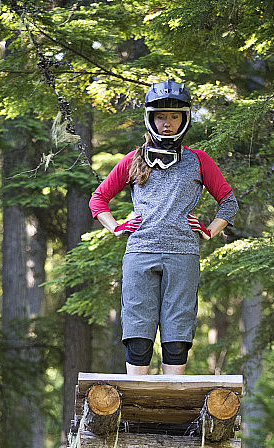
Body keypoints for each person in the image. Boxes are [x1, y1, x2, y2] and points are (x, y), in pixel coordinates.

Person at [89, 79, 238, 375]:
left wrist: (209, 230)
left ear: (185, 118)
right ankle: (135, 410)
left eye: (174, 116)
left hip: (183, 255)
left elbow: (229, 202)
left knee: (177, 332)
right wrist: (116, 227)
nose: (167, 123)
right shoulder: (134, 159)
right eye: (161, 116)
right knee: (138, 331)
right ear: (151, 118)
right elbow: (98, 199)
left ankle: (172, 404)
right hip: (140, 253)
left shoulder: (198, 160)